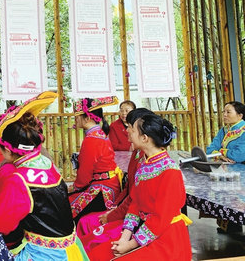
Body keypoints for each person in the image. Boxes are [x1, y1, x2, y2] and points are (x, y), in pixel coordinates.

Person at [0, 91, 88, 261]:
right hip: (71, 250)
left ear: (8, 151)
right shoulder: (48, 165)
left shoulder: (19, 179)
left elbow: (1, 223)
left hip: (44, 254)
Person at [88, 113, 192, 260]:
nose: (128, 131)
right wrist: (124, 238)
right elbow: (135, 205)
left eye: (133, 129)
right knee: (96, 255)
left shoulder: (170, 171)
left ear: (145, 138)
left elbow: (161, 218)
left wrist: (130, 245)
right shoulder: (145, 165)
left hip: (167, 239)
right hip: (145, 231)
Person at [77, 107, 153, 252]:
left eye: (130, 128)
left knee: (86, 226)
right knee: (87, 224)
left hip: (141, 223)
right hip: (129, 212)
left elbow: (140, 205)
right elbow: (131, 194)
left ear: (144, 136)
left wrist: (127, 240)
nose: (126, 131)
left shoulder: (153, 166)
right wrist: (115, 207)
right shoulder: (138, 154)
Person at [68, 97, 122, 222]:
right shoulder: (99, 134)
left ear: (87, 118)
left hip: (102, 188)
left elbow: (84, 174)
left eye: (77, 116)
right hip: (108, 184)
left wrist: (75, 187)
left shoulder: (91, 139)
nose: (75, 119)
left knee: (66, 207)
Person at [205, 100, 245, 234]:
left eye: (228, 112)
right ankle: (231, 228)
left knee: (239, 200)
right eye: (224, 112)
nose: (224, 115)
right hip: (227, 171)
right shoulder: (224, 130)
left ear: (240, 115)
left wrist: (220, 152)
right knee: (226, 198)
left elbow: (239, 155)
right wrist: (221, 155)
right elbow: (210, 149)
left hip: (242, 172)